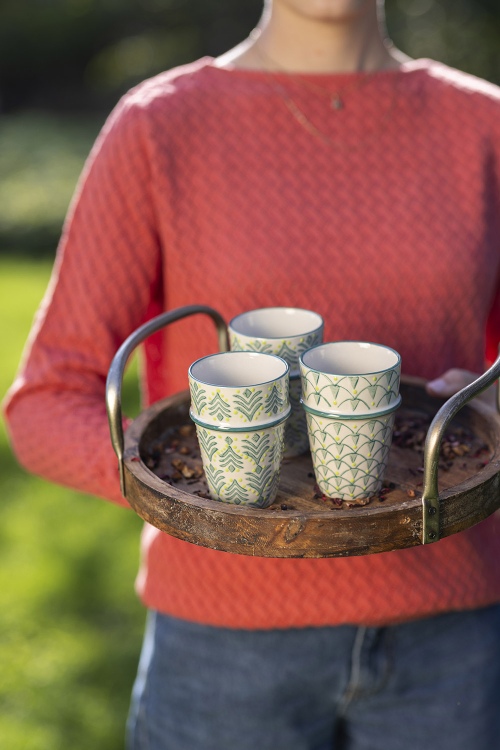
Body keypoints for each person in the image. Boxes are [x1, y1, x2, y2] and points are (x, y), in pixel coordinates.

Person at [4, 1, 500, 748]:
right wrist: (199, 499)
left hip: (454, 642)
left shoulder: (483, 124)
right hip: (222, 656)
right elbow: (46, 403)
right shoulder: (159, 125)